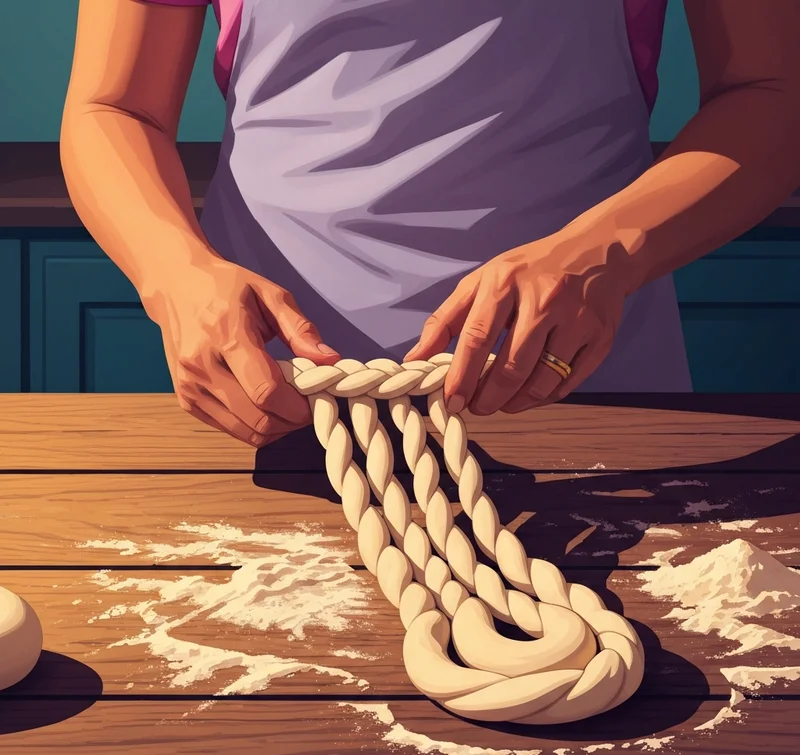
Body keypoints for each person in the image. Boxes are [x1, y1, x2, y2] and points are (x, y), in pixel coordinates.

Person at [61, 0, 800, 448]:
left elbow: (771, 97)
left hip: (583, 379)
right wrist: (177, 276)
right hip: (283, 388)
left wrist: (605, 250)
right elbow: (112, 109)